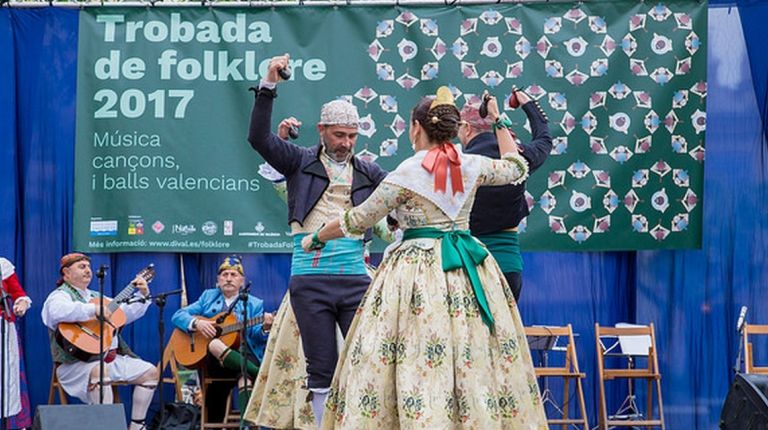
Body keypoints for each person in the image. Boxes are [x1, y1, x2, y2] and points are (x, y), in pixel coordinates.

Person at [302, 87, 548, 429]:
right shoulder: (473, 165)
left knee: (410, 352)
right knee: (469, 352)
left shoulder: (406, 173)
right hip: (465, 267)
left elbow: (356, 220)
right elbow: (517, 167)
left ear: (416, 127)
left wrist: (315, 236)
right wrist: (498, 120)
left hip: (414, 274)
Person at [246, 54, 387, 426]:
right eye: (340, 135)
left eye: (353, 136)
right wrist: (269, 85)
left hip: (356, 279)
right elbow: (257, 138)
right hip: (310, 281)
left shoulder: (369, 171)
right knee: (321, 367)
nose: (346, 142)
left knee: (364, 362)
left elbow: (400, 199)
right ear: (322, 130)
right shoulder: (298, 161)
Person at [41, 253, 158, 430]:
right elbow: (57, 311)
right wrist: (93, 310)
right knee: (100, 371)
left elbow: (125, 313)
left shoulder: (98, 296)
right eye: (81, 267)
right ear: (66, 272)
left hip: (108, 359)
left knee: (150, 372)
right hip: (75, 365)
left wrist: (143, 294)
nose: (88, 270)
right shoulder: (59, 296)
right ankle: (106, 426)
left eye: (88, 266)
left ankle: (137, 425)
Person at [458, 89, 552, 301]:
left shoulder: (461, 165)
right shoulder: (518, 158)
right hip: (508, 266)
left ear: (467, 128)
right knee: (506, 333)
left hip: (470, 264)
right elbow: (544, 139)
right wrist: (527, 102)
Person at [171, 255, 272, 423]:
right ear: (218, 280)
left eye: (234, 275)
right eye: (225, 275)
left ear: (242, 281)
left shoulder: (254, 304)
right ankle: (261, 374)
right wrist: (197, 323)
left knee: (245, 379)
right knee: (215, 343)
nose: (229, 278)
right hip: (215, 361)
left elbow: (256, 337)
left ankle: (245, 425)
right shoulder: (208, 297)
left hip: (245, 354)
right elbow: (178, 315)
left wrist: (265, 327)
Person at [0, 257, 31, 429]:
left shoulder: (1, 266)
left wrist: (22, 304)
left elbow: (19, 294)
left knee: (5, 377)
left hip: (2, 329)